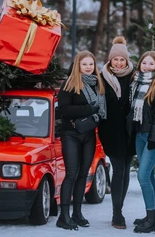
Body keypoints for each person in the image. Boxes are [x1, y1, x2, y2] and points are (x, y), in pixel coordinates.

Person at [56, 51, 107, 230]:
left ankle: (77, 214)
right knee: (71, 174)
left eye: (91, 64)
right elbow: (63, 109)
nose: (88, 67)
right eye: (84, 64)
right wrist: (88, 109)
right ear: (78, 65)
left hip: (88, 134)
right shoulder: (70, 84)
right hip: (71, 134)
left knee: (83, 175)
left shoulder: (97, 85)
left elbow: (101, 110)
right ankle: (64, 216)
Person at [128, 51, 155, 233]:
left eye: (151, 64)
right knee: (148, 175)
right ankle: (153, 214)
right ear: (140, 65)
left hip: (154, 136)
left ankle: (151, 218)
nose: (147, 67)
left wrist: (153, 138)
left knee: (142, 176)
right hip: (140, 134)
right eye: (145, 63)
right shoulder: (137, 83)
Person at [98, 36, 135, 229]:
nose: (119, 63)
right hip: (110, 131)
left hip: (130, 131)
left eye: (122, 59)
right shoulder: (102, 77)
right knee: (118, 169)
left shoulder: (135, 76)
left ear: (126, 60)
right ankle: (117, 213)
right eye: (115, 60)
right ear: (110, 60)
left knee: (126, 170)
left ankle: (119, 207)